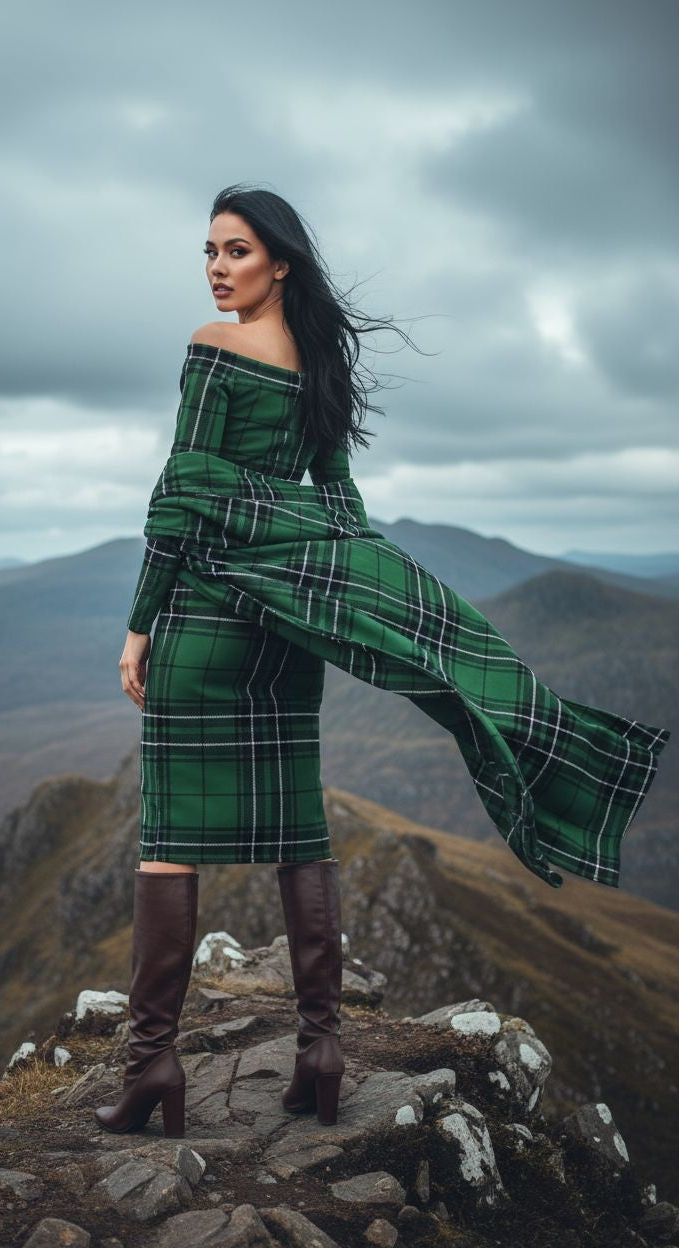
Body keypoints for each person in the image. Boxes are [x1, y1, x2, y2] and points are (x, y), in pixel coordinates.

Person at [94, 183, 670, 1140]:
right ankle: (321, 1048)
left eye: (235, 251)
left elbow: (182, 489)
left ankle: (153, 1065)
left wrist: (139, 621)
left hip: (204, 612)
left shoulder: (211, 347)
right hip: (290, 625)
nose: (216, 268)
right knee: (297, 824)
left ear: (279, 262)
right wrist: (353, 584)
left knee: (170, 835)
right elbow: (340, 499)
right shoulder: (315, 361)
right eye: (209, 252)